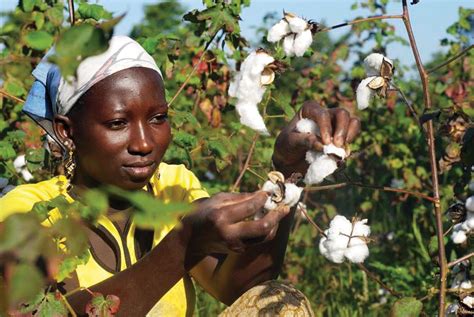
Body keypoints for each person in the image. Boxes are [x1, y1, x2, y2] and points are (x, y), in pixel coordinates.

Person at [0, 36, 360, 316]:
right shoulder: (27, 214)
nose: (144, 143)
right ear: (67, 132)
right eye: (117, 123)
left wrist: (288, 170)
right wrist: (184, 245)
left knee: (280, 302)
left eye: (157, 118)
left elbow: (238, 288)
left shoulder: (173, 188)